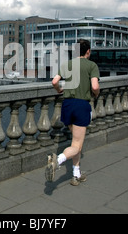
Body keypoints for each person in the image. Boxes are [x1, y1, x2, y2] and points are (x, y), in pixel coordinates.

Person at [46, 39, 100, 186]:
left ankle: (76, 175)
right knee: (77, 145)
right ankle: (57, 161)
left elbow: (54, 81)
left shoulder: (67, 64)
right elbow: (95, 86)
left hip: (67, 104)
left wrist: (59, 90)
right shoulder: (92, 65)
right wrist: (96, 93)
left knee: (76, 142)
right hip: (81, 105)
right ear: (88, 51)